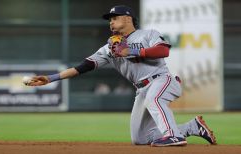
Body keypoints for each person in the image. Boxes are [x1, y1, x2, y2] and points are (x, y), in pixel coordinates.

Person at [26, 5, 216, 147]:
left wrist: (132, 50)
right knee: (140, 138)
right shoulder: (109, 48)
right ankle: (193, 127)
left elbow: (163, 51)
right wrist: (51, 78)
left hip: (162, 80)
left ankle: (175, 137)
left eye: (114, 18)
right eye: (110, 19)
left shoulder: (147, 34)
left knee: (154, 99)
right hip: (141, 90)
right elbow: (83, 67)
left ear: (127, 18)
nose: (111, 22)